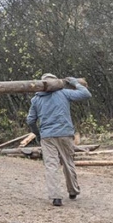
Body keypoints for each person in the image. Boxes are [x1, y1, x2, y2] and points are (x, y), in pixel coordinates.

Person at [27, 74, 92, 207]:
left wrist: (37, 134)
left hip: (47, 136)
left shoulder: (36, 99)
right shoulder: (64, 93)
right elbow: (86, 94)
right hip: (65, 133)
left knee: (51, 165)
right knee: (68, 162)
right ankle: (73, 190)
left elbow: (30, 120)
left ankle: (56, 197)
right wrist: (75, 82)